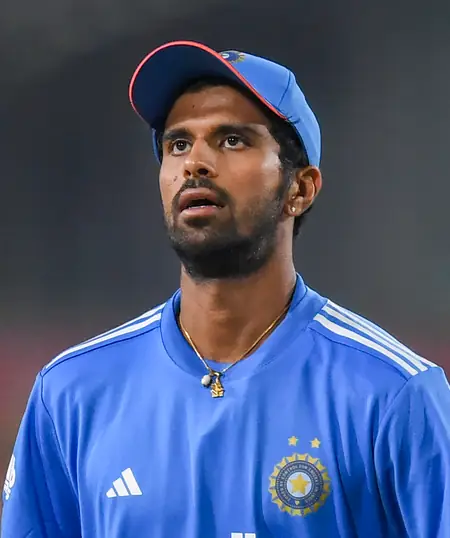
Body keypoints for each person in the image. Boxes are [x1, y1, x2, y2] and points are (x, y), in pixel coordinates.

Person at [2, 40, 450, 538]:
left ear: (300, 189)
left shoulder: (394, 392)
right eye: (178, 144)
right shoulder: (71, 392)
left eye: (232, 140)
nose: (195, 162)